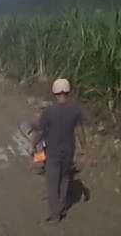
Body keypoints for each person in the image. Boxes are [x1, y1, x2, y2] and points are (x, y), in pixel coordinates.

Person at [31, 77, 87, 223]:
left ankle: (55, 214)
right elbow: (80, 131)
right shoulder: (76, 110)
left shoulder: (48, 111)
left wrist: (34, 146)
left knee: (52, 182)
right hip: (69, 151)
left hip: (52, 152)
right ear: (68, 92)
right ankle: (61, 208)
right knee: (64, 179)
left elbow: (40, 132)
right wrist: (84, 149)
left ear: (54, 93)